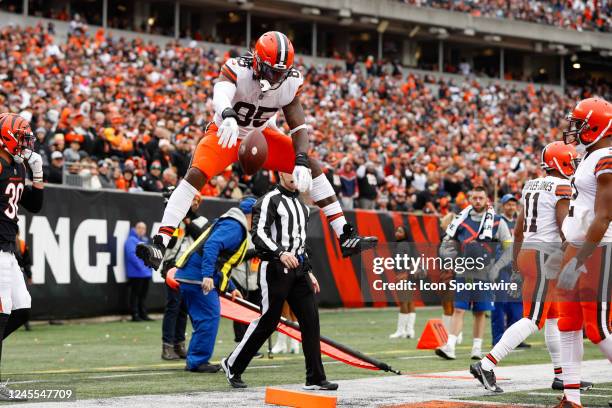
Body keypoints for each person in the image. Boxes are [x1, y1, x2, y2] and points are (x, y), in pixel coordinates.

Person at [136, 31, 377, 271]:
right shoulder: (237, 69)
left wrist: (301, 159)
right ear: (257, 61)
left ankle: (345, 235)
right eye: (272, 71)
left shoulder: (290, 81)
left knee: (311, 166)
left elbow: (298, 126)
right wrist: (228, 115)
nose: (276, 78)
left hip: (260, 135)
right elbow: (220, 94)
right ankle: (161, 242)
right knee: (196, 174)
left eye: (281, 73)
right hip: (227, 133)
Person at [470, 141, 590, 394]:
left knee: (553, 317)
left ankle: (561, 375)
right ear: (561, 161)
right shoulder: (562, 187)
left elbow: (520, 225)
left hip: (530, 252)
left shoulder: (532, 185)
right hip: (546, 255)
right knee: (534, 318)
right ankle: (487, 364)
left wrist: (516, 258)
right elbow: (563, 227)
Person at [221, 172, 337, 391]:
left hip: (298, 270)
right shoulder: (269, 200)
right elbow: (259, 234)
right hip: (275, 267)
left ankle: (315, 377)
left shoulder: (302, 207)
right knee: (268, 321)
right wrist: (281, 252)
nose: (293, 176)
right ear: (281, 173)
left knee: (311, 321)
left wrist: (308, 270)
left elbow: (300, 244)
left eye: (297, 171)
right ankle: (232, 364)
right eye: (289, 171)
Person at [555, 97, 612, 407]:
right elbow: (582, 211)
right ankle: (571, 397)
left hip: (599, 249)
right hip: (579, 246)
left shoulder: (607, 156)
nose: (573, 129)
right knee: (568, 323)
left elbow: (604, 216)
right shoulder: (591, 156)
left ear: (596, 125)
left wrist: (579, 259)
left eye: (579, 123)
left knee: (598, 329)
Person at [173, 198, 252, 373]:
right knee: (209, 317)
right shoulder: (234, 226)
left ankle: (195, 359)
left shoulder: (230, 223)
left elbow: (219, 262)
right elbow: (212, 246)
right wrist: (207, 275)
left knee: (203, 320)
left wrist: (231, 287)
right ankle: (197, 361)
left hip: (190, 276)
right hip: (198, 277)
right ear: (251, 215)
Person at [435, 186, 512, 361]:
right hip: (464, 272)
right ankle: (450, 347)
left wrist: (497, 267)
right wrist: (451, 259)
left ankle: (476, 348)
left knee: (480, 312)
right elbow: (445, 245)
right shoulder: (460, 221)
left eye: (481, 198)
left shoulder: (498, 222)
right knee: (459, 309)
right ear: (470, 199)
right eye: (474, 198)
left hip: (485, 274)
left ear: (487, 200)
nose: (477, 201)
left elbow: (510, 249)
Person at [0, 113, 44, 400]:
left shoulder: (17, 165)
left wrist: (37, 173)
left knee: (22, 309)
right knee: (2, 314)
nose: (26, 143)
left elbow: (35, 205)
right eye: (23, 136)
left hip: (8, 249)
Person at [159, 193, 208, 360]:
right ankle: (167, 346)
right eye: (190, 200)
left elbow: (201, 239)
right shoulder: (175, 220)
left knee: (183, 309)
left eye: (196, 200)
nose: (193, 203)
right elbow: (169, 243)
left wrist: (188, 221)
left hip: (189, 268)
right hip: (173, 266)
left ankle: (179, 344)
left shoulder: (201, 221)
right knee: (173, 306)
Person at [490, 194, 525, 348]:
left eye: (513, 204)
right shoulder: (498, 222)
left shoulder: (521, 222)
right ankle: (498, 340)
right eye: (508, 204)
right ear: (503, 206)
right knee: (500, 304)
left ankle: (515, 339)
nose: (511, 207)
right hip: (502, 269)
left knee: (517, 305)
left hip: (517, 269)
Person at [389, 225, 417, 339]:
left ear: (406, 234)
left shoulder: (403, 244)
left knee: (403, 302)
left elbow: (407, 260)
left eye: (400, 231)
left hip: (404, 275)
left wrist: (404, 273)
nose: (397, 233)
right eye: (396, 231)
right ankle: (410, 331)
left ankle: (401, 331)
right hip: (409, 275)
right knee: (409, 302)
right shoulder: (408, 245)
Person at [124, 222, 153, 322]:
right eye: (139, 228)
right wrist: (142, 268)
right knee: (135, 294)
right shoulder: (131, 240)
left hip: (146, 273)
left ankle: (143, 314)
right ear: (135, 229)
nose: (141, 230)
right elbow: (132, 256)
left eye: (144, 228)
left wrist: (149, 268)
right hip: (136, 273)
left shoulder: (144, 241)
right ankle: (135, 314)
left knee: (143, 295)